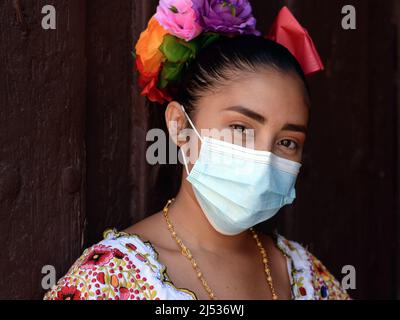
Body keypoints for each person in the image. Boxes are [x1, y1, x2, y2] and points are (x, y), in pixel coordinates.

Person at [44, 1, 350, 300]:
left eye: (287, 142)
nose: (264, 159)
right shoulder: (110, 280)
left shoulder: (306, 276)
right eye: (241, 129)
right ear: (180, 126)